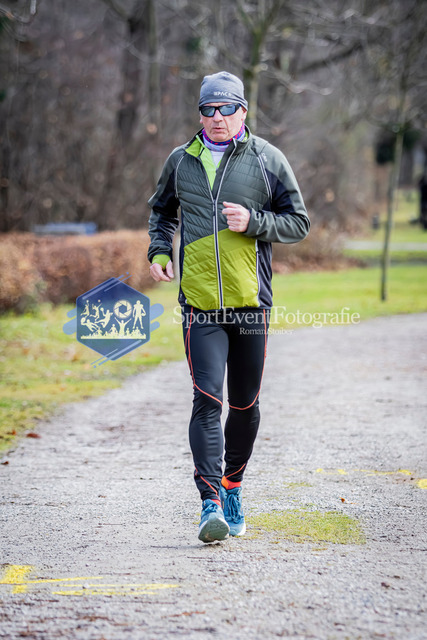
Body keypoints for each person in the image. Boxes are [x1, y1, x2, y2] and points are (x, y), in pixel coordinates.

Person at [147, 71, 310, 543]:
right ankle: (210, 502)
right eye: (208, 109)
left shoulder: (266, 158)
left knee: (245, 405)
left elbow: (298, 222)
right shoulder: (181, 160)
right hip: (200, 306)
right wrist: (159, 250)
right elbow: (162, 211)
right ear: (200, 113)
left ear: (243, 111)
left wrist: (254, 221)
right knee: (206, 400)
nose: (216, 117)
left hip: (250, 305)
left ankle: (233, 484)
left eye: (225, 109)